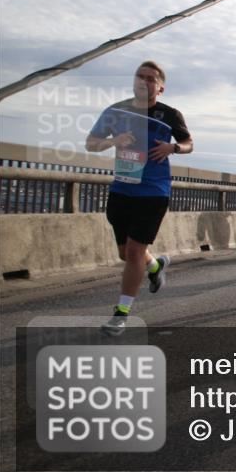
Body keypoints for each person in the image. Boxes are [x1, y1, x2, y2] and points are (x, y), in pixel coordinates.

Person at [86, 61, 192, 336]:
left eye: (150, 79)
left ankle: (121, 315)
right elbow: (91, 143)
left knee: (134, 251)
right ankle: (155, 266)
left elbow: (188, 144)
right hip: (122, 189)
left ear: (160, 87)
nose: (144, 82)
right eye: (139, 76)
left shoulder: (170, 115)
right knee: (126, 253)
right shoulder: (116, 111)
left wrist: (172, 147)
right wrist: (113, 141)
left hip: (154, 191)